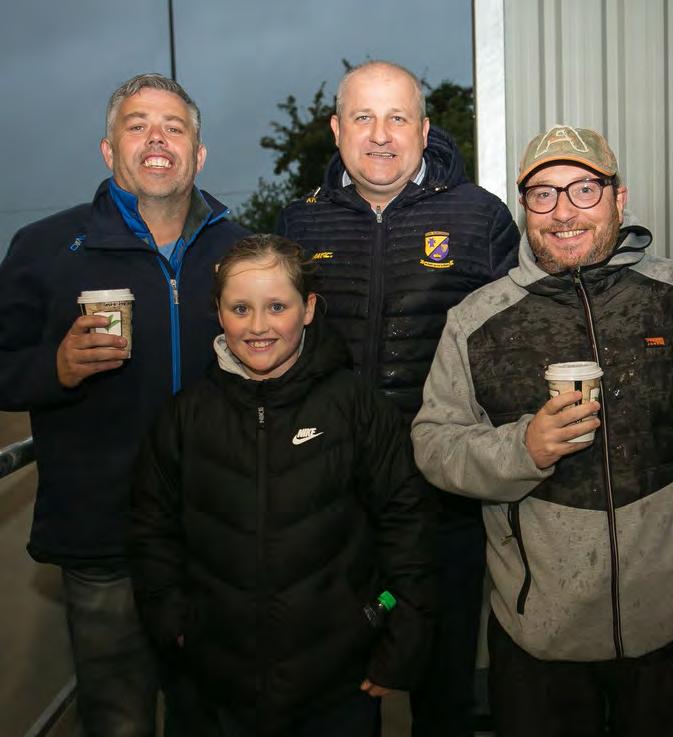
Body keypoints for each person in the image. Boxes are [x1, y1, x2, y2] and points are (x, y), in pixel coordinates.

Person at [411, 125, 673, 737]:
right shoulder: (476, 320)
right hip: (539, 637)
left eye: (584, 189)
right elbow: (433, 444)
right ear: (524, 208)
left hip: (671, 625)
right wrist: (522, 449)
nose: (563, 212)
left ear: (619, 198)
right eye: (543, 194)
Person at [278, 60, 520, 737]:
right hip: (334, 505)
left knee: (442, 688)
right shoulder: (301, 223)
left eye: (396, 117)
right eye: (363, 117)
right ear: (337, 129)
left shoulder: (480, 218)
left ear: (423, 127)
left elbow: (512, 351)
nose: (380, 135)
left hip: (445, 504)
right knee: (343, 687)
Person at [0, 73, 246, 736]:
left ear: (198, 154)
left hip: (220, 533)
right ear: (109, 151)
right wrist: (54, 368)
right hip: (102, 535)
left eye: (173, 127)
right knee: (118, 718)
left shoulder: (241, 252)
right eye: (138, 126)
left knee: (213, 713)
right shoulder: (46, 250)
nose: (157, 138)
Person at [129, 234, 436, 736]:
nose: (258, 326)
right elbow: (151, 530)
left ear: (308, 308)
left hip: (337, 684)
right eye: (240, 308)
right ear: (219, 313)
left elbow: (407, 524)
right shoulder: (183, 418)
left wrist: (401, 637)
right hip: (212, 688)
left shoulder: (357, 406)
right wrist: (174, 624)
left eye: (277, 306)